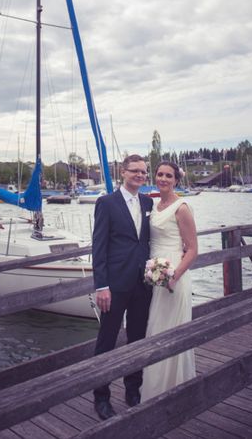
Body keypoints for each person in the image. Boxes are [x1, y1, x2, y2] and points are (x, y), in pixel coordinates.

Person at [92, 154, 153, 420]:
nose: (140, 175)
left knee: (138, 338)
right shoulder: (106, 203)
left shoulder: (148, 201)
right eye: (135, 171)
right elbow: (99, 246)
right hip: (114, 286)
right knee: (106, 340)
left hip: (143, 284)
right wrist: (101, 285)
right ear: (123, 172)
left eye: (143, 172)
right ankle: (101, 396)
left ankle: (132, 389)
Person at [141, 160, 198, 401]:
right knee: (155, 330)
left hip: (174, 275)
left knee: (171, 331)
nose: (163, 179)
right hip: (156, 275)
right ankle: (155, 388)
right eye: (160, 174)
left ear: (176, 180)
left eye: (168, 176)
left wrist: (174, 276)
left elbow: (193, 249)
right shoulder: (155, 206)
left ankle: (175, 388)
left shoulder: (181, 207)